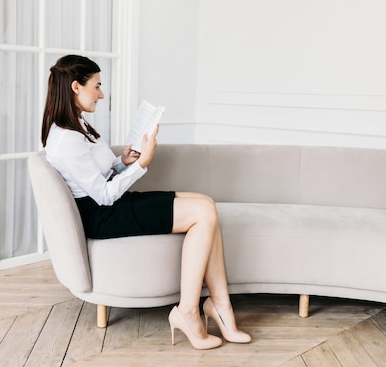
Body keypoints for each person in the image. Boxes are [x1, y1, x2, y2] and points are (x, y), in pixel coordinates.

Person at [41, 54, 251, 350]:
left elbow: (93, 176)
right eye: (97, 86)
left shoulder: (76, 126)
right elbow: (102, 194)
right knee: (203, 212)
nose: (101, 94)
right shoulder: (66, 139)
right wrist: (142, 164)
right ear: (76, 87)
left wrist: (122, 162)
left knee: (206, 204)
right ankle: (188, 311)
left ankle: (219, 306)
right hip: (103, 215)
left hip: (111, 205)